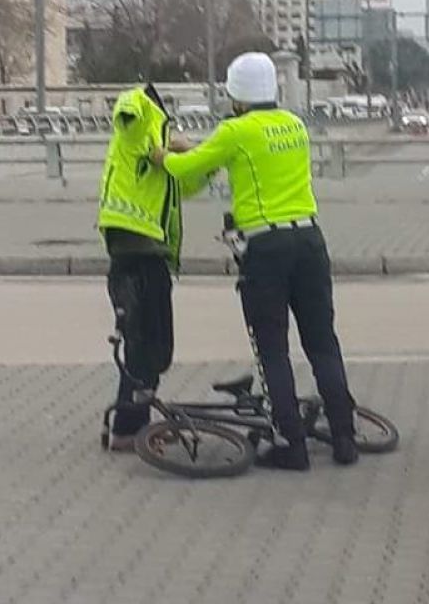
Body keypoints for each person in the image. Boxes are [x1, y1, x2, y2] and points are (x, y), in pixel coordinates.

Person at [151, 53, 358, 470]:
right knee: (322, 342)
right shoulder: (294, 125)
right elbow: (244, 161)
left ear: (236, 95)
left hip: (267, 249)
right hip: (310, 241)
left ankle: (292, 446)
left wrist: (162, 154)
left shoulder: (236, 130)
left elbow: (188, 167)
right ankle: (345, 438)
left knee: (273, 349)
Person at [98, 84, 207, 450]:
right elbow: (127, 110)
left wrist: (195, 158)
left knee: (154, 348)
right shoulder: (134, 130)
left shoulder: (159, 153)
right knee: (142, 347)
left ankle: (134, 422)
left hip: (153, 256)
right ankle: (129, 430)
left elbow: (187, 185)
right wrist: (146, 111)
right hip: (133, 252)